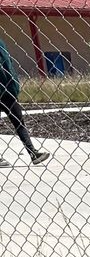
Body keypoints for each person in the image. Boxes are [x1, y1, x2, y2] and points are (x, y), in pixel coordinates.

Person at [0, 36, 50, 168]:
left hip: (8, 90)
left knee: (19, 121)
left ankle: (33, 153)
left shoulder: (1, 44)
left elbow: (8, 65)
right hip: (5, 88)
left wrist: (14, 86)